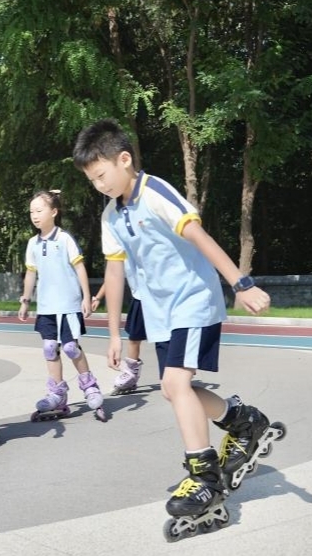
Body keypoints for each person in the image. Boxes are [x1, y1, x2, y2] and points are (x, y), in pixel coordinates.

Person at [73, 119, 282, 534]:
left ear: (124, 160)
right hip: (160, 313)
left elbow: (199, 236)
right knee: (175, 387)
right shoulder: (112, 215)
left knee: (175, 385)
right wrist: (114, 332)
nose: (98, 185)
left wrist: (240, 282)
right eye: (91, 180)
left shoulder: (156, 192)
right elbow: (114, 276)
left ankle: (204, 477)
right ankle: (243, 420)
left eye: (101, 176)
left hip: (193, 302)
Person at [16, 189, 105, 421]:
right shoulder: (32, 243)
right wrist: (26, 300)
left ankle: (90, 386)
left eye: (39, 210)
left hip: (68, 305)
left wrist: (87, 296)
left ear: (54, 212)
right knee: (49, 348)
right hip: (46, 307)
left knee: (70, 348)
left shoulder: (64, 239)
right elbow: (31, 273)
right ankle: (57, 393)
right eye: (31, 211)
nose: (34, 215)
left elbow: (79, 267)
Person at [91, 267, 146, 395]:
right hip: (140, 299)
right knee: (134, 338)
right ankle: (131, 374)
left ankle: (181, 364)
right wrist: (98, 298)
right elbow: (113, 275)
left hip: (162, 299)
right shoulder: (124, 255)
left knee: (166, 338)